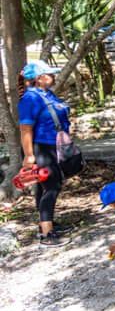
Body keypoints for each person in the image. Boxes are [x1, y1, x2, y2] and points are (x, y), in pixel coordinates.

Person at [17, 60, 71, 247]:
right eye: (49, 74)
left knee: (44, 187)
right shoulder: (30, 98)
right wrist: (29, 155)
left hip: (55, 146)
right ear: (39, 79)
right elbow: (25, 129)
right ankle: (47, 234)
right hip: (42, 148)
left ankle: (46, 224)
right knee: (52, 186)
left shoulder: (47, 94)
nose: (53, 76)